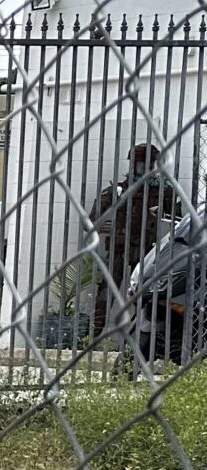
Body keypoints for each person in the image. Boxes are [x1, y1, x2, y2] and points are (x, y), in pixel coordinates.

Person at [89, 143, 192, 346]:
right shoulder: (118, 191)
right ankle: (90, 339)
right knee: (105, 293)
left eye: (149, 164)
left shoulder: (164, 191)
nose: (144, 168)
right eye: (140, 164)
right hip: (120, 248)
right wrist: (107, 227)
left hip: (148, 249)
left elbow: (177, 223)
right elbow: (91, 221)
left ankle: (139, 342)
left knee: (146, 296)